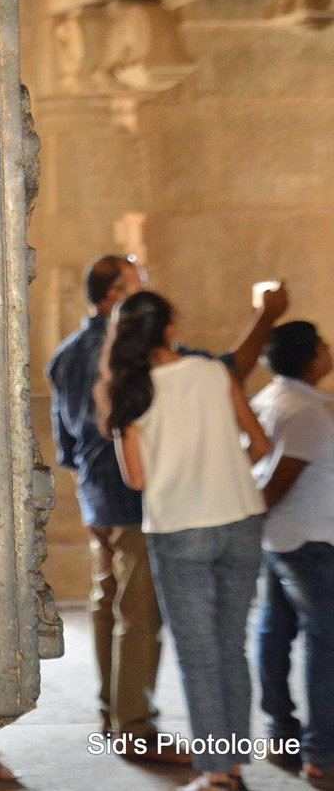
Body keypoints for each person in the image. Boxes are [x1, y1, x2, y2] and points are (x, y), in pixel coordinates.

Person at [104, 291, 272, 791]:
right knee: (232, 647)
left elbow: (137, 479)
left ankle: (216, 773)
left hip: (180, 527)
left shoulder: (132, 392)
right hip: (242, 518)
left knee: (199, 656)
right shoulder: (215, 372)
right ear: (171, 328)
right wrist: (224, 464)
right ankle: (233, 764)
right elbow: (260, 443)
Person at [48, 256, 188, 763]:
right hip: (133, 492)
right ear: (113, 296)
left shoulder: (64, 353)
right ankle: (135, 728)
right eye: (136, 286)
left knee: (107, 601)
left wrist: (88, 488)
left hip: (95, 494)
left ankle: (112, 713)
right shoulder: (125, 350)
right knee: (139, 611)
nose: (144, 294)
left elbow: (65, 444)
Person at [251, 321, 334, 789]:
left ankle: (281, 732)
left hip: (281, 539)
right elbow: (275, 486)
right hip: (311, 542)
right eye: (322, 344)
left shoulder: (269, 398)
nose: (328, 349)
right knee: (326, 643)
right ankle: (322, 751)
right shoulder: (306, 412)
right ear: (309, 357)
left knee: (275, 631)